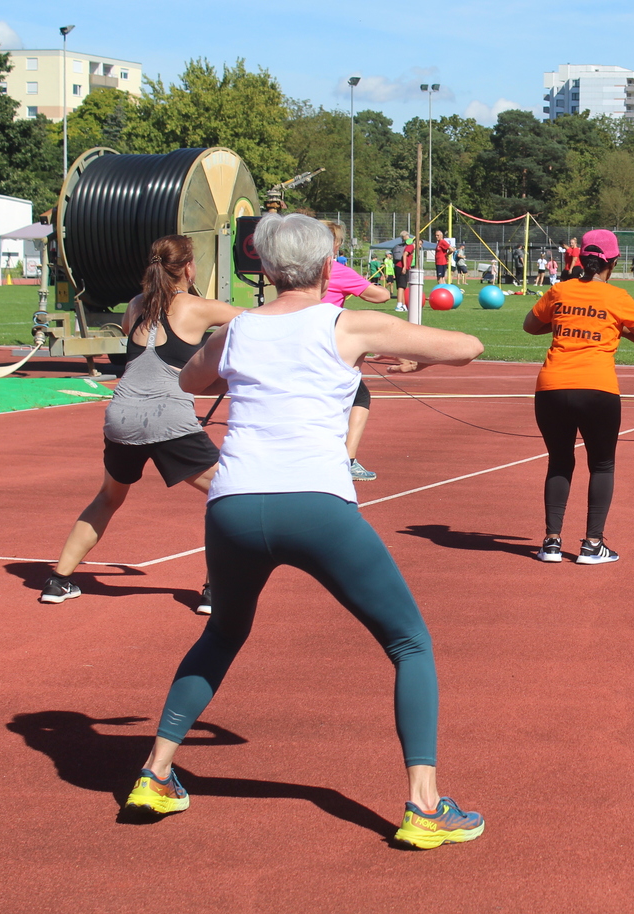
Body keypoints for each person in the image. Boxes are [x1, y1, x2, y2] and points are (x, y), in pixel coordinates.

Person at [121, 213, 487, 851]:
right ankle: (425, 806)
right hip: (314, 504)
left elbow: (189, 381)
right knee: (408, 643)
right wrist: (404, 355)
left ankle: (155, 771)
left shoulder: (238, 330)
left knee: (223, 631)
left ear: (262, 268)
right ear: (326, 270)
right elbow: (467, 347)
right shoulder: (346, 322)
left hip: (234, 505)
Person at [40, 236, 241, 615]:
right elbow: (258, 320)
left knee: (108, 497)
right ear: (187, 268)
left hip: (121, 416)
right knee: (228, 494)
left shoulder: (135, 305)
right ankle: (216, 590)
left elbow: (152, 361)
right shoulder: (199, 307)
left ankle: (58, 579)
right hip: (167, 419)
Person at [522, 229, 634, 565]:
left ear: (581, 258)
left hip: (552, 386)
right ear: (613, 262)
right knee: (602, 465)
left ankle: (551, 543)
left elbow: (531, 325)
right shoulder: (617, 297)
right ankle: (592, 544)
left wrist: (564, 324)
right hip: (597, 388)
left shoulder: (559, 289)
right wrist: (618, 328)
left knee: (559, 461)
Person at [322, 221, 391, 481]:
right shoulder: (335, 270)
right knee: (359, 397)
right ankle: (347, 459)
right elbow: (379, 296)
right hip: (330, 341)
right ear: (335, 245)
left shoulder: (293, 269)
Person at [395, 231, 414, 312]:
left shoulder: (402, 245)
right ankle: (399, 305)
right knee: (401, 286)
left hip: (397, 266)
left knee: (402, 286)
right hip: (402, 266)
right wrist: (405, 267)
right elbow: (405, 254)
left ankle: (403, 305)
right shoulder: (410, 246)